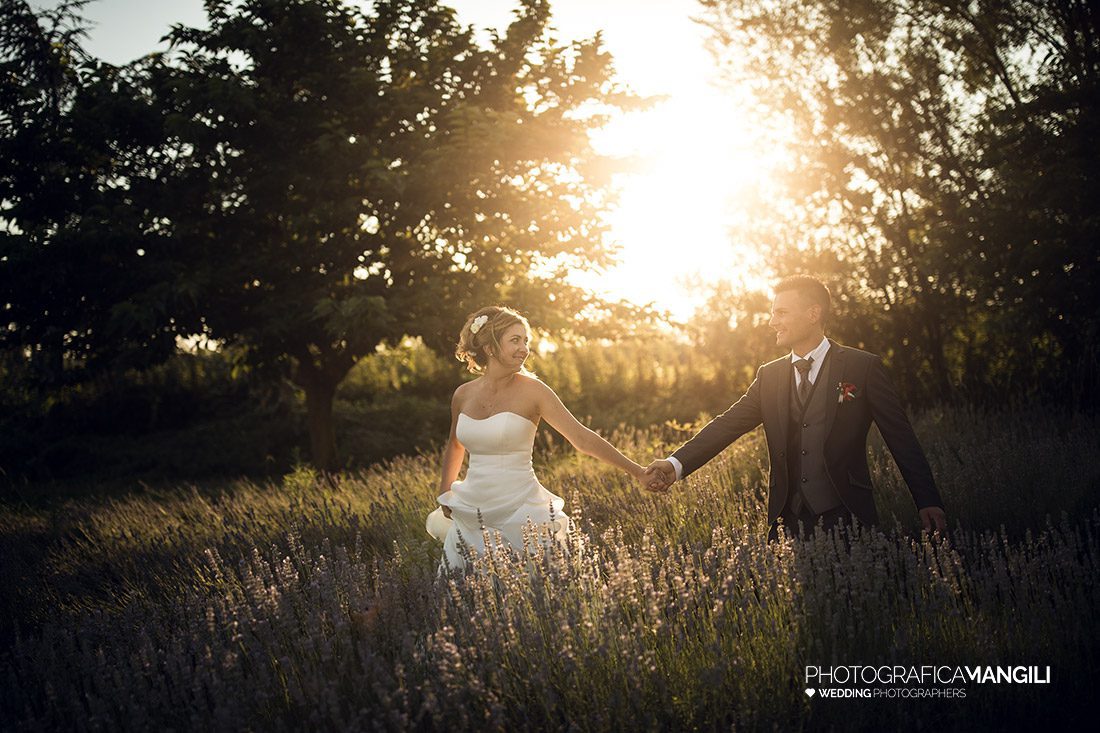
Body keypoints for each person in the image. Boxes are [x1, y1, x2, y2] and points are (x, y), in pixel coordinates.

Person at [643, 275, 948, 542]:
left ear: (813, 313)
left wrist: (927, 500)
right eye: (772, 313)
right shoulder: (769, 376)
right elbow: (727, 425)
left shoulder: (862, 367)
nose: (772, 321)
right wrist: (675, 463)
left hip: (848, 514)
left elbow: (901, 437)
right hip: (786, 522)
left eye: (781, 312)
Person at [426, 305, 649, 572]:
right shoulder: (463, 394)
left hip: (522, 508)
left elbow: (582, 438)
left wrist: (638, 471)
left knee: (540, 583)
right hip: (472, 509)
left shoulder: (535, 392)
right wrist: (445, 491)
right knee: (469, 588)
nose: (524, 349)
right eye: (515, 340)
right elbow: (455, 444)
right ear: (490, 348)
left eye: (526, 341)